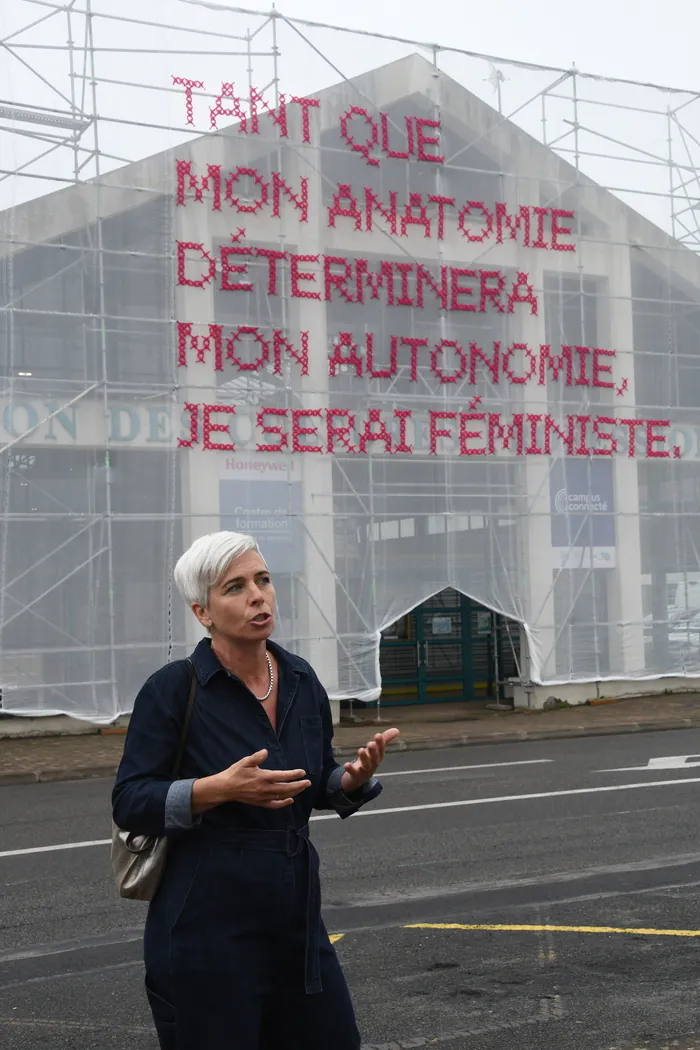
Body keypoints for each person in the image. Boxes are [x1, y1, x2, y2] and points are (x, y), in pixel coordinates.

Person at [112, 531, 399, 1050]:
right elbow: (130, 800)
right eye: (236, 587)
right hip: (206, 918)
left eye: (263, 580)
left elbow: (311, 778)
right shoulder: (173, 689)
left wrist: (347, 781)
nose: (258, 595)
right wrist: (216, 789)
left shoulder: (300, 678)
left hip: (295, 916)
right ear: (203, 611)